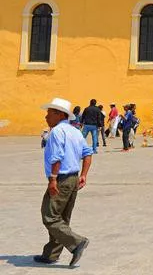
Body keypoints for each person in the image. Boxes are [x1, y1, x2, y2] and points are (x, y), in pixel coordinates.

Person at [35, 97, 92, 266]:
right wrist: (84, 175)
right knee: (62, 218)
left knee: (50, 217)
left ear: (59, 114)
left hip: (61, 179)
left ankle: (77, 242)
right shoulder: (75, 131)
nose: (46, 117)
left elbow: (57, 157)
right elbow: (87, 153)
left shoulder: (57, 131)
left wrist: (52, 179)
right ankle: (51, 254)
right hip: (73, 178)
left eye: (49, 113)